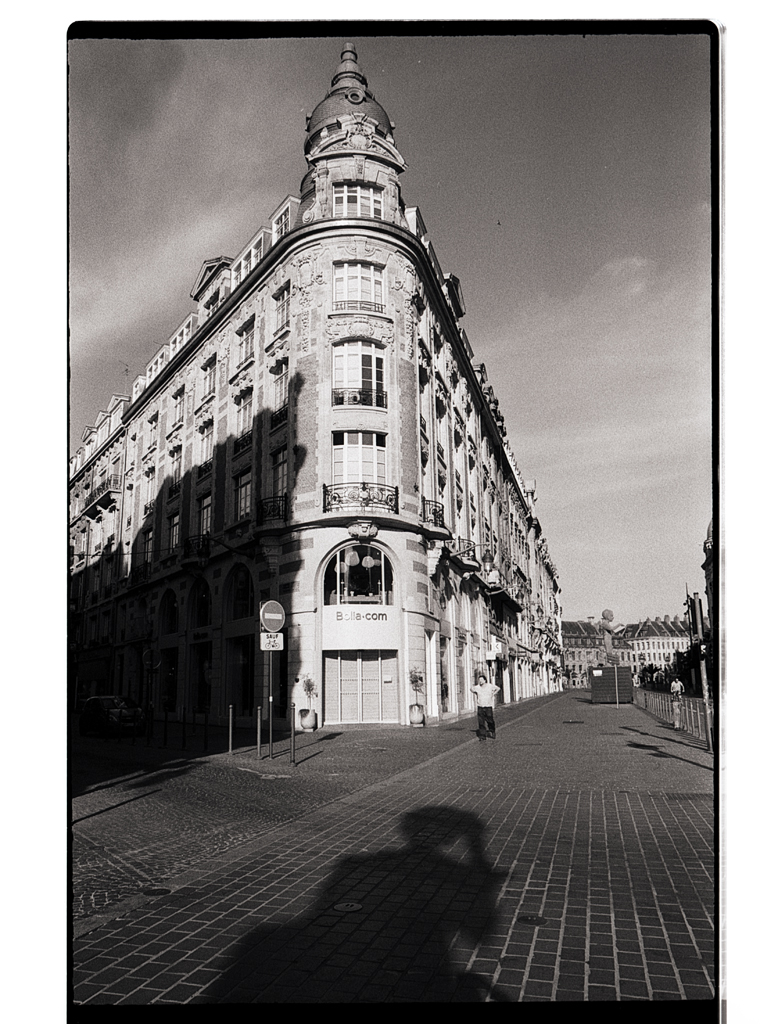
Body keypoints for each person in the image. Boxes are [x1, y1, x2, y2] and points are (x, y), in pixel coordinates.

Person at [471, 670, 501, 741]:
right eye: (479, 680)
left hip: (488, 706)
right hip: (480, 706)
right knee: (481, 722)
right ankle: (482, 736)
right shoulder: (477, 687)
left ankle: (492, 730)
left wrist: (493, 693)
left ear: (485, 680)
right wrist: (476, 693)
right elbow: (471, 689)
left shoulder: (490, 686)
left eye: (481, 680)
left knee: (490, 720)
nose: (480, 681)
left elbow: (498, 688)